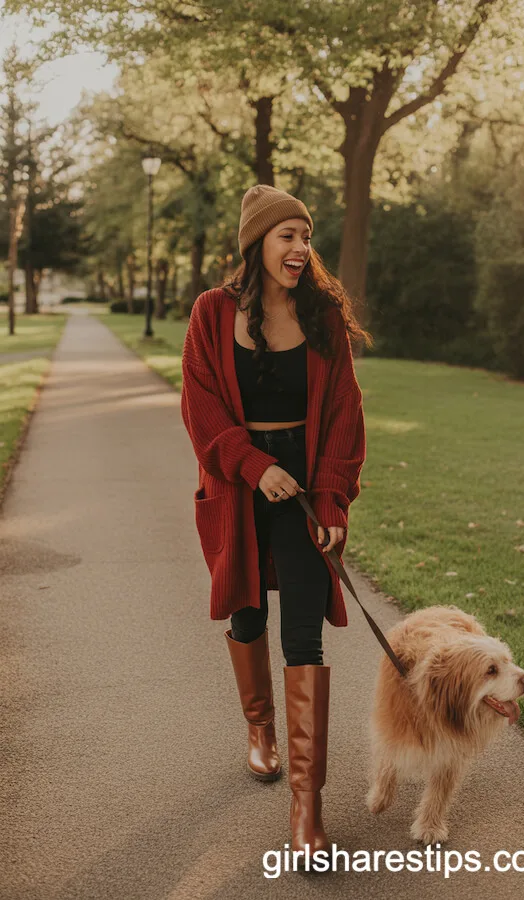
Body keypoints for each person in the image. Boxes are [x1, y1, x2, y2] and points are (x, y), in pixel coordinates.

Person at [180, 184, 372, 867]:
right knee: (247, 614)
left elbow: (346, 419)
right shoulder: (211, 313)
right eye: (286, 235)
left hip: (303, 487)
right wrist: (251, 463)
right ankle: (258, 728)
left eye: (306, 236)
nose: (300, 248)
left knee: (304, 639)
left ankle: (307, 811)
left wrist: (330, 502)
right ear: (256, 243)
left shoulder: (322, 317)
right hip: (238, 485)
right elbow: (201, 408)